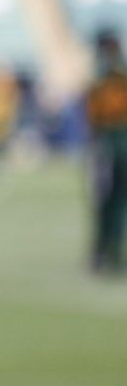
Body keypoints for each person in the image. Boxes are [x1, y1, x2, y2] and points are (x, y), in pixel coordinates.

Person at [86, 29, 127, 274]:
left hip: (109, 146)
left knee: (109, 202)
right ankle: (107, 252)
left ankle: (106, 252)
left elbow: (93, 118)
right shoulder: (111, 74)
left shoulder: (104, 75)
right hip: (112, 146)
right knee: (112, 202)